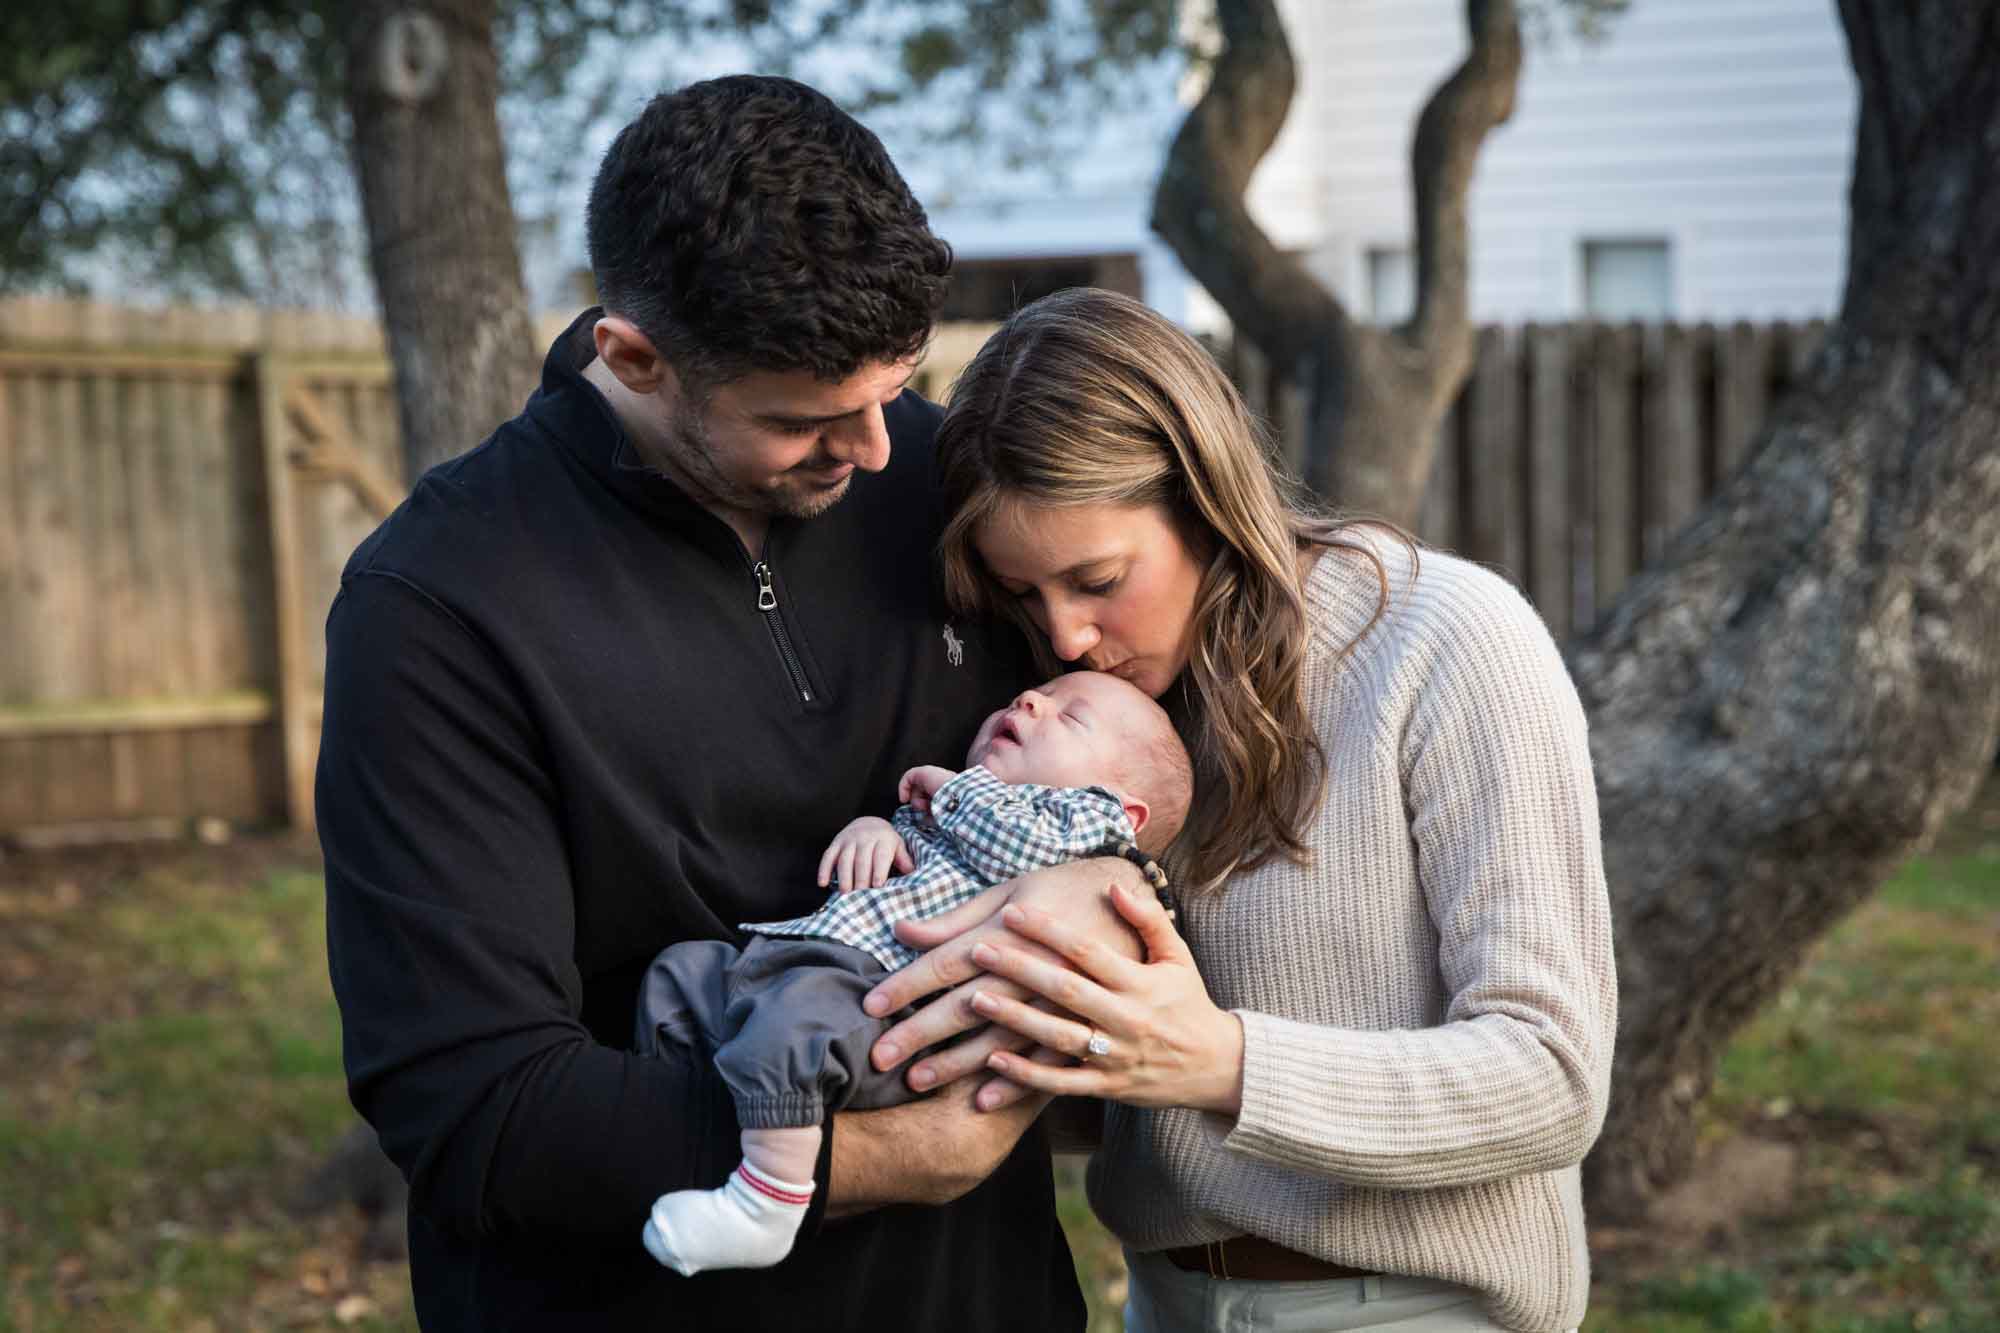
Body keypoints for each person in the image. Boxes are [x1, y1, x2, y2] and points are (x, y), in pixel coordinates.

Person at [315, 76, 1129, 1331]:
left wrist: (1093, 894)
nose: (872, 448)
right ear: (631, 356)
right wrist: (901, 1152)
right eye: (805, 418)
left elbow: (1132, 742)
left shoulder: (940, 477)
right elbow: (474, 1104)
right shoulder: (440, 607)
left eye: (898, 383)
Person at [859, 287, 1618, 1333]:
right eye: (1025, 597)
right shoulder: (1082, 723)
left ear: (1206, 499)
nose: (1066, 637)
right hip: (1163, 1298)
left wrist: (1220, 1061)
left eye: (1097, 578)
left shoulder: (1444, 641)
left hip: (1408, 1308)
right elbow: (1116, 1091)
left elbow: (1551, 1075)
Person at [637, 669, 1192, 1275]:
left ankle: (767, 1199)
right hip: (799, 960)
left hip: (876, 999)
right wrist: (873, 831)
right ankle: (694, 1111)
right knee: (681, 974)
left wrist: (953, 792)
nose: (1030, 699)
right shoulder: (948, 812)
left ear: (1126, 812)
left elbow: (1015, 845)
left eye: (1072, 717)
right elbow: (910, 849)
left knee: (790, 1034)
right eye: (1029, 696)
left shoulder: (1086, 829)